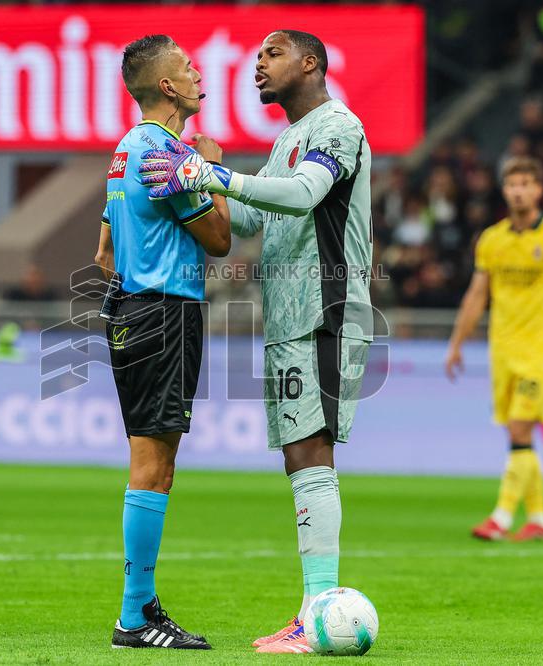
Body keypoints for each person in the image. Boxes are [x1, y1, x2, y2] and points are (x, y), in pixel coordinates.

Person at [138, 30, 373, 654]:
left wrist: (215, 173)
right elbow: (249, 218)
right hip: (289, 317)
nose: (258, 66)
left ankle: (319, 609)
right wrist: (193, 185)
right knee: (300, 453)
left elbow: (300, 196)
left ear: (310, 63)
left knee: (311, 449)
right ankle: (312, 612)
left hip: (326, 306)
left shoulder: (337, 127)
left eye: (271, 55)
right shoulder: (288, 140)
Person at [97, 34, 230, 651]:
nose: (200, 73)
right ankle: (135, 616)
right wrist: (210, 166)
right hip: (165, 313)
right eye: (188, 67)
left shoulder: (126, 151)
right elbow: (220, 239)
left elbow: (103, 253)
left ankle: (139, 609)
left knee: (157, 463)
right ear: (169, 88)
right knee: (153, 467)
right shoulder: (169, 156)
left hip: (131, 308)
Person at [445, 157, 543, 542]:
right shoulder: (492, 239)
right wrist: (457, 343)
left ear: (540, 190)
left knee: (520, 428)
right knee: (522, 437)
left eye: (526, 184)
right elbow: (477, 295)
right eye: (512, 184)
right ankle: (540, 519)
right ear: (504, 190)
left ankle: (501, 516)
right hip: (503, 350)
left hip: (542, 349)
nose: (518, 191)